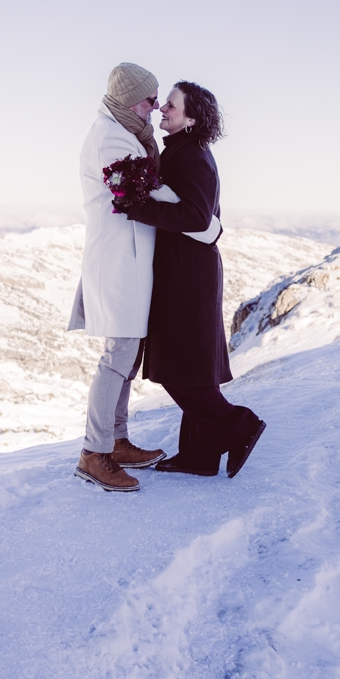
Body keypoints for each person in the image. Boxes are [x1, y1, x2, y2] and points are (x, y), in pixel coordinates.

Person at [122, 81, 265, 478]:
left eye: (171, 104)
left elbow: (198, 218)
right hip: (186, 267)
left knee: (175, 368)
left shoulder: (192, 157)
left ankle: (241, 426)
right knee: (192, 367)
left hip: (187, 274)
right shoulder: (185, 152)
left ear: (192, 117)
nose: (163, 109)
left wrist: (138, 209)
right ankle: (199, 457)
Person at [68, 62, 166, 492]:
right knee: (118, 354)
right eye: (150, 99)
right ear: (130, 100)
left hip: (130, 260)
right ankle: (94, 452)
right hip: (116, 262)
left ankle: (116, 439)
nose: (156, 106)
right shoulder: (110, 136)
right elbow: (137, 190)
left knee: (128, 355)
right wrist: (193, 207)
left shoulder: (124, 132)